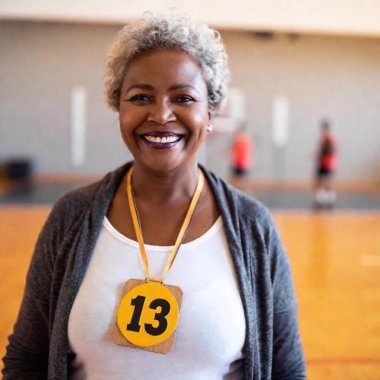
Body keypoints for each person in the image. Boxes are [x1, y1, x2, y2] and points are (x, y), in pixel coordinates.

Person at [2, 10, 306, 379]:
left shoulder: (253, 227)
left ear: (210, 111)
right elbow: (26, 359)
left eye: (184, 97)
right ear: (118, 107)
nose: (161, 115)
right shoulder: (71, 217)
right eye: (141, 97)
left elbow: (287, 370)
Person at [314, 120, 338, 208]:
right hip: (323, 162)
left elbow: (330, 150)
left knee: (327, 180)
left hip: (327, 162)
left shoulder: (329, 139)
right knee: (321, 179)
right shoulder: (324, 138)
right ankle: (321, 197)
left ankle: (330, 197)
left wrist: (320, 153)